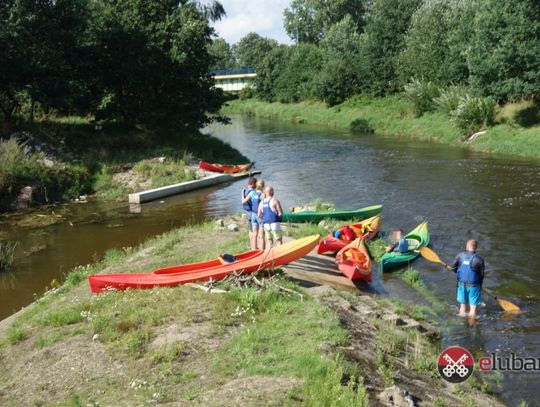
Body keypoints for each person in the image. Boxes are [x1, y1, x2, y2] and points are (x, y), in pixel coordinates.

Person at [450, 239, 485, 319]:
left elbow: (453, 269)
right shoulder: (479, 259)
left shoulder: (459, 256)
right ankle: (472, 325)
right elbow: (482, 275)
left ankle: (462, 322)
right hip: (474, 286)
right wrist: (480, 286)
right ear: (476, 247)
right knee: (473, 307)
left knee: (463, 305)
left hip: (461, 284)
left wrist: (459, 271)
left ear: (467, 246)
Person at [248, 179, 266, 250]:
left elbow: (245, 201)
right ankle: (262, 252)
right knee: (261, 235)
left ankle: (253, 250)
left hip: (253, 215)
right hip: (260, 216)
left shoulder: (252, 193)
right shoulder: (263, 194)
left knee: (254, 234)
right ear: (263, 186)